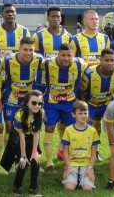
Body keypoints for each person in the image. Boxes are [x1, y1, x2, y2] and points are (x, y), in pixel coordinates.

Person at [40, 44, 88, 173]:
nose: (66, 58)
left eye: (69, 55)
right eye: (63, 55)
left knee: (71, 130)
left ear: (73, 55)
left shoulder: (79, 64)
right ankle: (49, 163)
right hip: (51, 102)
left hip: (70, 103)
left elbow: (90, 63)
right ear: (58, 54)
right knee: (49, 128)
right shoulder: (48, 63)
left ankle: (65, 154)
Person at [79, 48, 114, 162]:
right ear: (100, 60)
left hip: (108, 104)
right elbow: (81, 91)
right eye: (107, 60)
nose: (110, 63)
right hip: (91, 105)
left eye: (112, 60)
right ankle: (92, 153)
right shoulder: (89, 73)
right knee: (89, 129)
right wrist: (85, 110)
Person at [2, 37, 44, 153]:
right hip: (12, 98)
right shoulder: (7, 60)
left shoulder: (39, 59)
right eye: (25, 49)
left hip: (30, 100)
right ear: (19, 49)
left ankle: (33, 154)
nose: (28, 53)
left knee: (33, 127)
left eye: (31, 50)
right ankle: (9, 157)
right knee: (10, 126)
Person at [5, 90, 43, 195]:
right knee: (24, 162)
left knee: (36, 160)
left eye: (40, 103)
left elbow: (36, 133)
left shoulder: (40, 113)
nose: (37, 106)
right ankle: (16, 187)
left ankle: (33, 188)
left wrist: (35, 152)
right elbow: (21, 136)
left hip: (31, 136)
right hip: (18, 137)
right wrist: (23, 155)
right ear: (26, 103)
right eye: (34, 103)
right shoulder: (19, 115)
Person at [61, 100, 99, 191]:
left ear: (88, 113)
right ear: (74, 115)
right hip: (72, 164)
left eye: (85, 113)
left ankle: (83, 179)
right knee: (69, 188)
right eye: (80, 113)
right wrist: (68, 167)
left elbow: (94, 153)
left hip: (86, 165)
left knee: (87, 189)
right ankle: (71, 177)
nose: (83, 116)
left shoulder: (93, 131)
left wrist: (90, 168)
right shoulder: (68, 130)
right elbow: (65, 151)